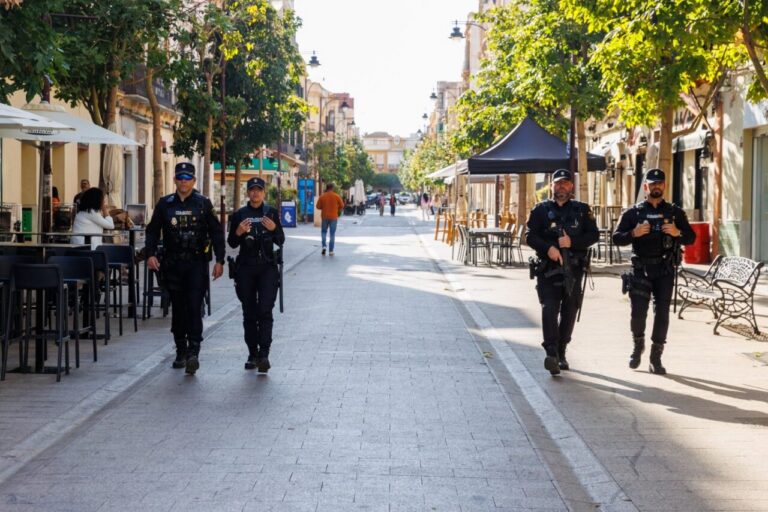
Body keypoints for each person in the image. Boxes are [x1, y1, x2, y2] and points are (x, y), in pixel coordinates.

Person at [145, 162, 225, 375]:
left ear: (194, 181)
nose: (183, 181)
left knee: (194, 306)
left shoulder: (203, 204)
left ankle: (193, 352)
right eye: (180, 177)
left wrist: (220, 260)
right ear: (174, 180)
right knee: (178, 309)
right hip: (172, 264)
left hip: (196, 264)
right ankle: (181, 349)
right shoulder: (165, 204)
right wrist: (150, 253)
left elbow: (217, 232)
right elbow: (152, 231)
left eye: (187, 178)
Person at [612, 168, 695, 375]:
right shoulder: (634, 212)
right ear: (645, 186)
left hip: (665, 269)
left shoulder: (675, 212)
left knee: (662, 314)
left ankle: (656, 356)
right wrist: (634, 232)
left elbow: (691, 237)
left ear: (664, 186)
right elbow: (617, 238)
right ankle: (638, 345)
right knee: (638, 313)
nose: (656, 186)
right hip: (641, 269)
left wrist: (678, 232)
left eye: (660, 183)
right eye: (652, 183)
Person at [525, 169, 599, 376]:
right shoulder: (540, 210)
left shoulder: (582, 211)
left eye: (565, 183)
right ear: (551, 185)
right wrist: (548, 249)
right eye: (558, 183)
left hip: (574, 269)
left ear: (571, 186)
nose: (561, 187)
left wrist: (572, 242)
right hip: (548, 269)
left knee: (569, 311)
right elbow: (530, 235)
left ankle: (562, 350)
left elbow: (593, 235)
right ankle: (551, 352)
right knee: (549, 308)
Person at [228, 177, 285, 372]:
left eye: (258, 190)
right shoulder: (240, 214)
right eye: (252, 190)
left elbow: (281, 240)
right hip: (246, 268)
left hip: (267, 267)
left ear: (263, 192)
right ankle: (253, 353)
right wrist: (237, 232)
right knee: (249, 312)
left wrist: (274, 228)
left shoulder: (271, 213)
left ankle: (264, 354)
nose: (255, 193)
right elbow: (232, 243)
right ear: (247, 193)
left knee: (265, 311)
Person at [315, 183, 344, 256]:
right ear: (332, 188)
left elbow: (318, 206)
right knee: (332, 234)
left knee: (324, 232)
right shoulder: (336, 196)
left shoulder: (322, 196)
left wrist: (324, 207)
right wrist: (336, 208)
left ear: (327, 188)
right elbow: (342, 205)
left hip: (325, 217)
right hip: (333, 217)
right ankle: (331, 251)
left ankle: (324, 246)